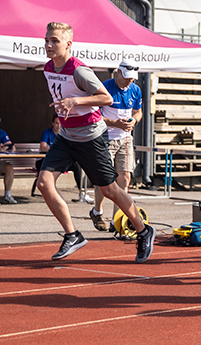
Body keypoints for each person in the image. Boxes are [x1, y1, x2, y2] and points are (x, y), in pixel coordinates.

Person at [36, 22, 153, 263]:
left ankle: (143, 231)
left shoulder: (79, 71)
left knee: (109, 189)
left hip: (91, 135)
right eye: (47, 39)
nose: (48, 44)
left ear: (68, 44)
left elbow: (106, 98)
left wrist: (74, 102)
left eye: (54, 40)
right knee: (44, 183)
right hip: (67, 136)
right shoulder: (49, 68)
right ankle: (72, 235)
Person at [89, 58, 144, 232]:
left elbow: (138, 112)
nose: (130, 80)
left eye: (132, 77)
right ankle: (97, 211)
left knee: (125, 178)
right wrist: (115, 123)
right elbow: (94, 116)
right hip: (105, 139)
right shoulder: (104, 87)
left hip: (126, 139)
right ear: (118, 72)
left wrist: (133, 121)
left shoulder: (135, 89)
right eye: (127, 76)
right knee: (104, 181)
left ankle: (116, 220)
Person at [36, 114, 91, 204]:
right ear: (52, 123)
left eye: (60, 123)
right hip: (45, 160)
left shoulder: (65, 133)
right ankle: (51, 193)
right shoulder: (47, 132)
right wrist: (57, 150)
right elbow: (43, 147)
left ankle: (82, 193)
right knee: (44, 179)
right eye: (57, 123)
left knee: (76, 166)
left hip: (61, 161)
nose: (59, 126)